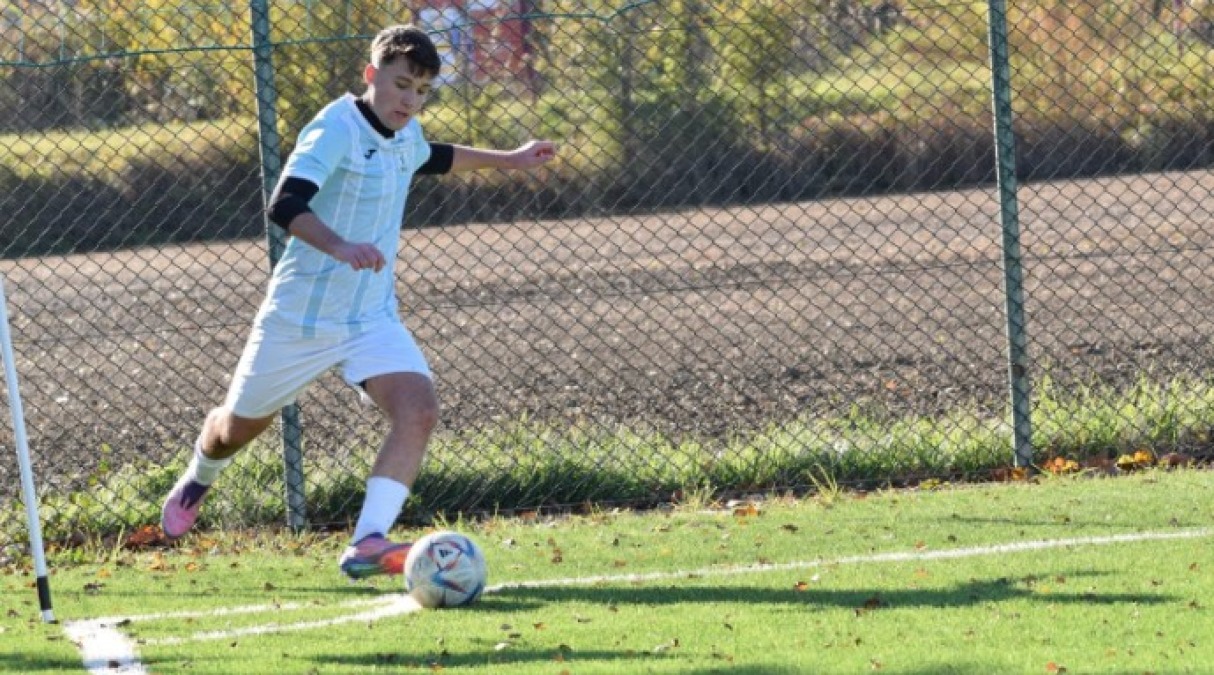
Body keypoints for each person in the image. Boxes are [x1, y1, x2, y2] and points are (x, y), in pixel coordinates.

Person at [160, 24, 556, 581]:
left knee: (419, 409)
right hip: (301, 318)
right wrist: (340, 246)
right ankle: (198, 478)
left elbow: (431, 156)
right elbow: (285, 202)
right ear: (371, 76)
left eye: (422, 91)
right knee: (234, 431)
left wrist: (510, 160)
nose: (411, 100)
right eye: (400, 85)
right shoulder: (335, 128)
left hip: (370, 317)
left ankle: (368, 541)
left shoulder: (405, 133)